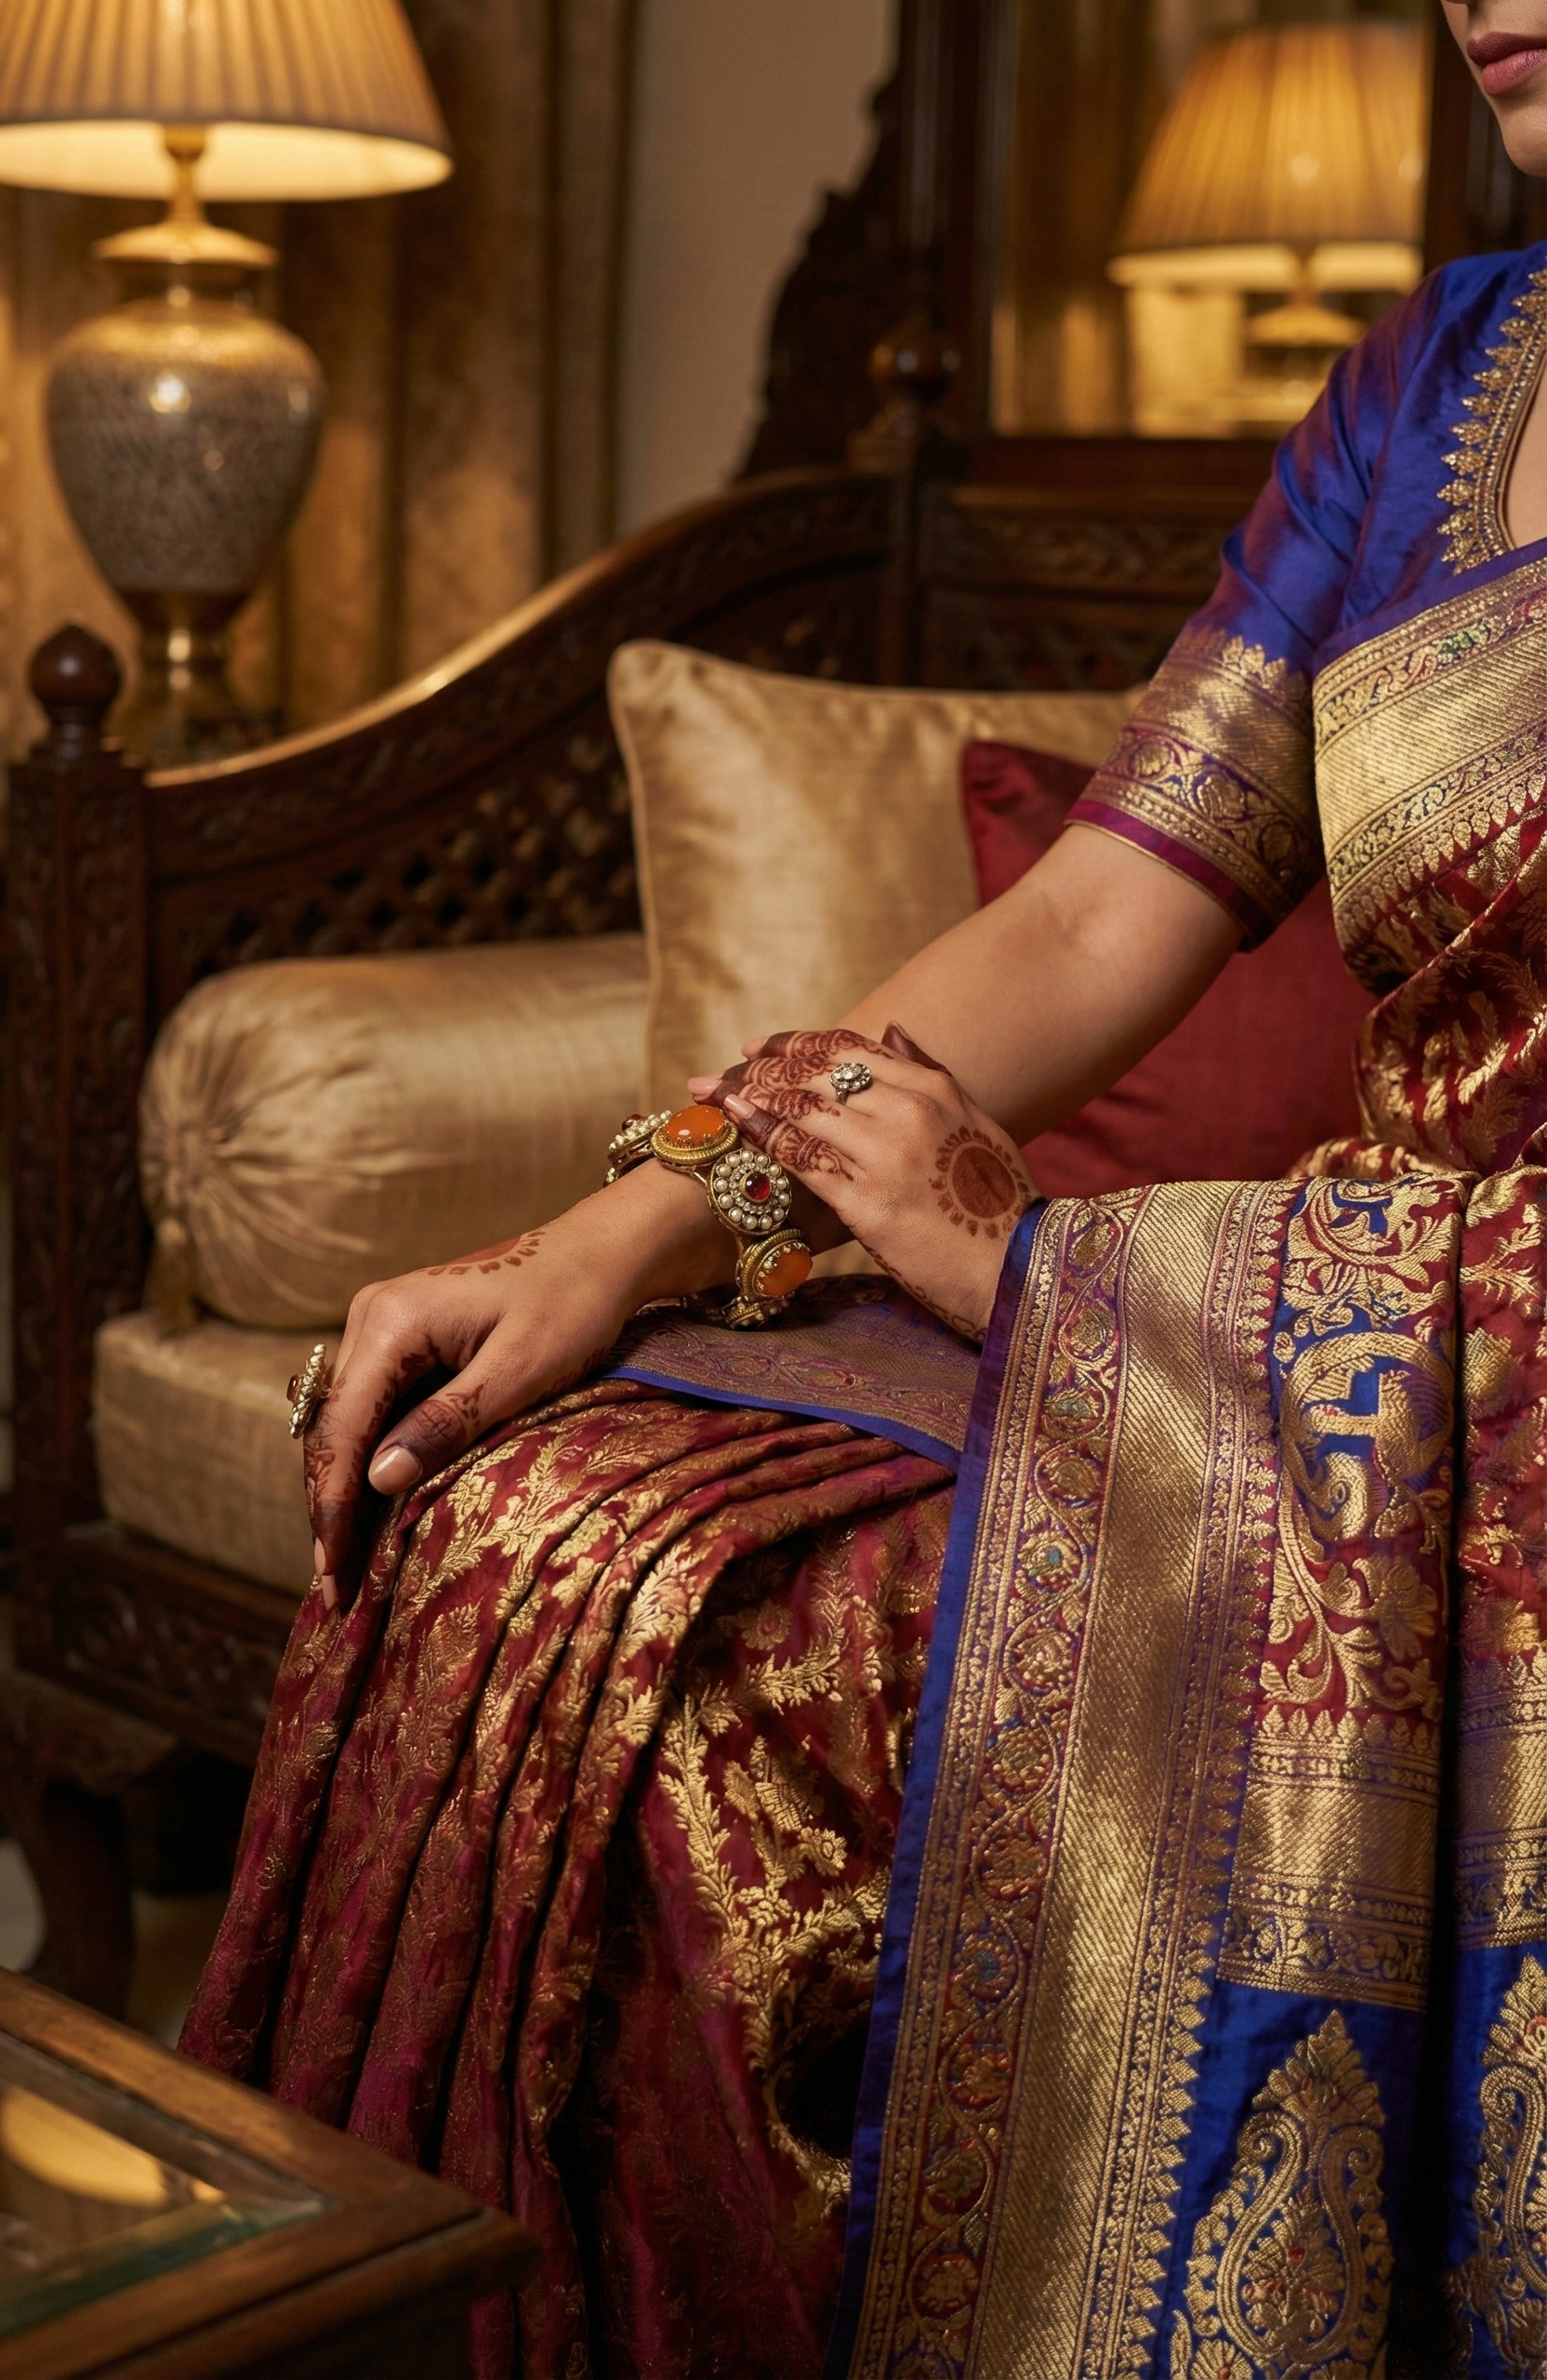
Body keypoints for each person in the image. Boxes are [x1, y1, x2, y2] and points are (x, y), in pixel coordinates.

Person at [184, 7, 1547, 2374]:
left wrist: (1034, 1264)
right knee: (536, 1515)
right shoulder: (1440, 370)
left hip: (1446, 1418)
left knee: (735, 1692)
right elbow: (1090, 916)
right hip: (1322, 1348)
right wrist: (620, 1232)